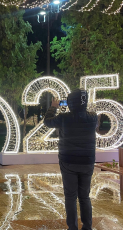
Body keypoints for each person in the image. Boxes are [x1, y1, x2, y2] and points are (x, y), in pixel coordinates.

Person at [44, 89, 98, 230]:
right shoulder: (93, 117)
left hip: (68, 161)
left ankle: (72, 227)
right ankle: (87, 227)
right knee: (84, 197)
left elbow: (47, 122)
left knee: (70, 197)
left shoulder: (64, 118)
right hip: (87, 161)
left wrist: (53, 107)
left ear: (70, 102)